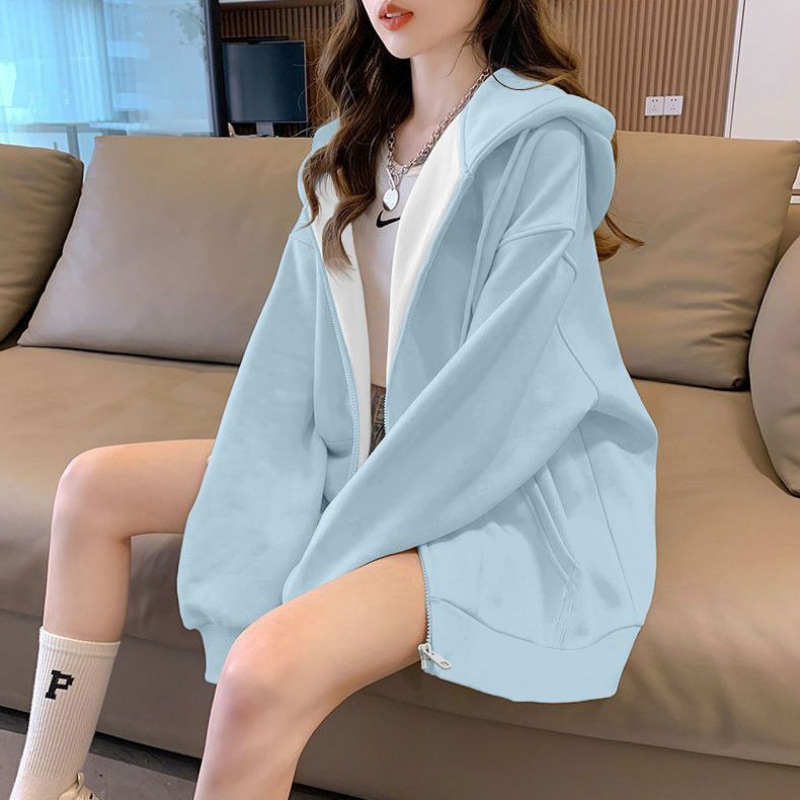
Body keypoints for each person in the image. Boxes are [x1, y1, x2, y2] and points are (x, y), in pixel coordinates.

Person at [10, 1, 658, 798]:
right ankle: (46, 787)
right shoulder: (344, 148)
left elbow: (504, 389)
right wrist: (271, 476)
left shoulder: (542, 140)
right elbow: (289, 358)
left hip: (489, 480)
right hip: (349, 445)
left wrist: (332, 543)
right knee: (90, 487)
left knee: (264, 664)